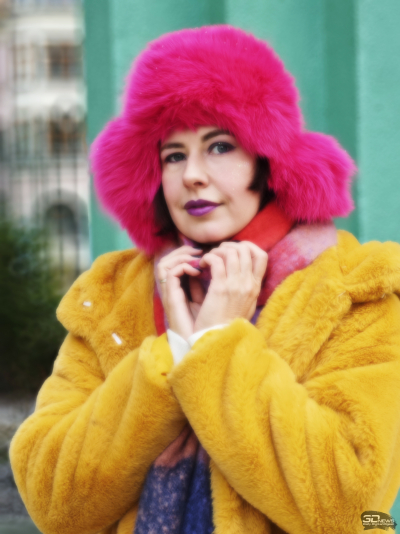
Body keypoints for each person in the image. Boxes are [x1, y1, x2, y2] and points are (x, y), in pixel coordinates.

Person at [9, 25, 400, 534]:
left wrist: (217, 344)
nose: (192, 174)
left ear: (268, 161)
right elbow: (54, 504)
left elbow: (353, 509)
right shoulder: (111, 295)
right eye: (173, 155)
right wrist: (171, 354)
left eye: (219, 146)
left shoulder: (354, 290)